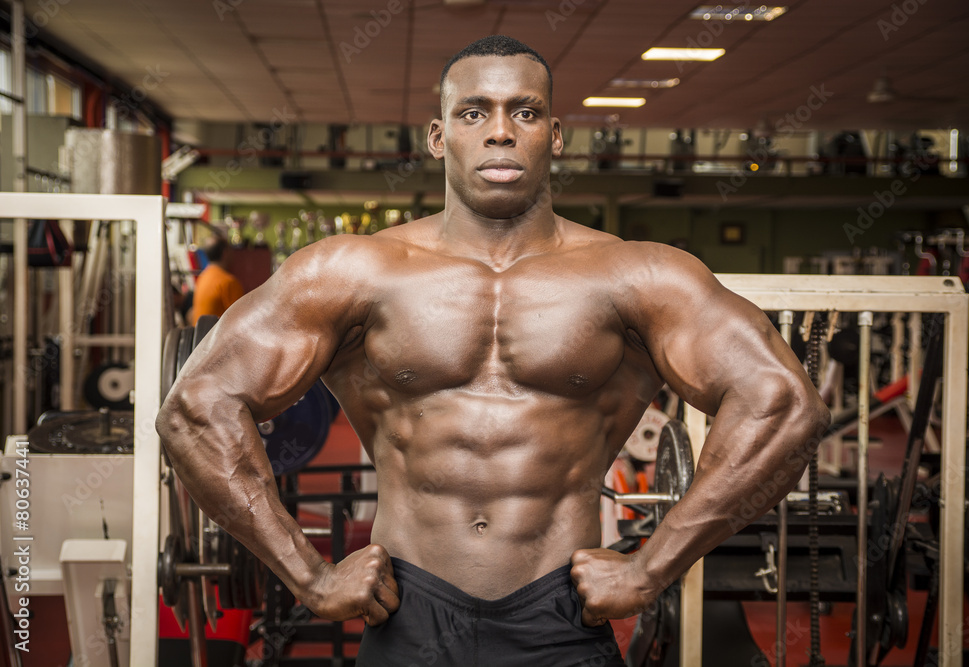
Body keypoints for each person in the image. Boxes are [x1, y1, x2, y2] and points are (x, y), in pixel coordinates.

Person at [157, 35, 830, 666]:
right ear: (438, 134)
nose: (500, 130)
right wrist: (307, 575)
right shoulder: (354, 272)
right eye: (474, 111)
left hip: (562, 615)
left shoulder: (637, 276)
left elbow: (783, 405)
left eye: (525, 111)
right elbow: (196, 406)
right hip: (409, 610)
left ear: (556, 135)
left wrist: (653, 566)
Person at [188, 233, 244, 325]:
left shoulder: (202, 277)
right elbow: (239, 320)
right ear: (225, 253)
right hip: (217, 338)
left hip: (201, 337)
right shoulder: (228, 282)